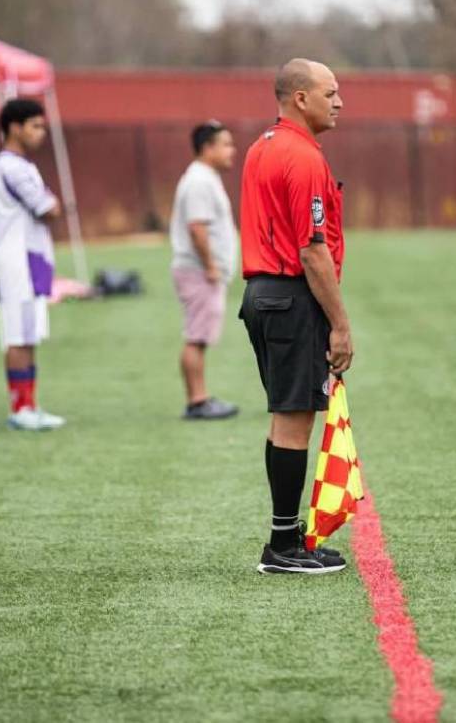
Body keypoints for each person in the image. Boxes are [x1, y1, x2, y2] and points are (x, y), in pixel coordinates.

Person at [239, 58, 352, 575]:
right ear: (300, 98)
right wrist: (341, 324)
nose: (339, 101)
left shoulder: (261, 147)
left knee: (285, 418)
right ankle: (282, 547)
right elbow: (312, 250)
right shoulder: (302, 157)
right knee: (292, 421)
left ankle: (287, 537)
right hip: (289, 296)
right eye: (330, 92)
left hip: (262, 296)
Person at [0, 98, 65, 431]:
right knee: (18, 335)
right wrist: (51, 204)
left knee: (30, 333)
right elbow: (47, 207)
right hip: (17, 259)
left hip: (32, 257)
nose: (41, 133)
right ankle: (20, 408)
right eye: (35, 125)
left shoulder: (24, 165)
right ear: (14, 127)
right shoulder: (10, 166)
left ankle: (31, 405)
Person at [170, 120, 240, 421]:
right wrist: (211, 265)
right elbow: (196, 227)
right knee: (197, 336)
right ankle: (197, 401)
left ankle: (199, 398)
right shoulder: (199, 180)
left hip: (202, 270)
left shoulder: (205, 177)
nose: (232, 151)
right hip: (199, 270)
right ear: (207, 148)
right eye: (225, 144)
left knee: (199, 336)